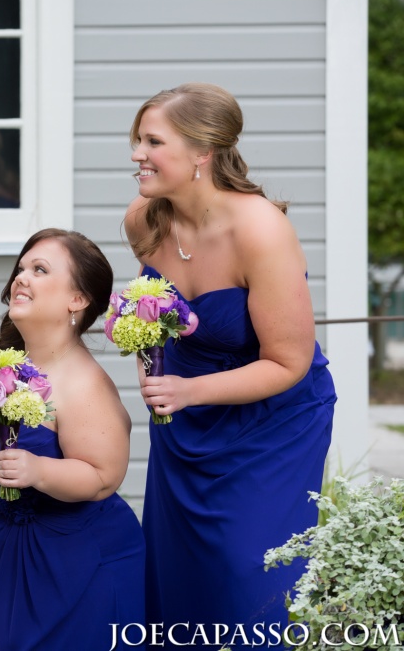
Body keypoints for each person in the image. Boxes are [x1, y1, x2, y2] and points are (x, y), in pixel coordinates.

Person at [124, 82, 336, 643]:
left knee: (247, 576)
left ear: (202, 152)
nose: (136, 155)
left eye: (152, 141)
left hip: (272, 424)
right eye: (136, 140)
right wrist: (150, 365)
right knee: (181, 573)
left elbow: (288, 362)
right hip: (184, 422)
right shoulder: (144, 222)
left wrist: (189, 391)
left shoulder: (260, 229)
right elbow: (157, 320)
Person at [0, 228, 146, 650]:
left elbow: (102, 477)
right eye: (22, 268)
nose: (21, 277)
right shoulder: (1, 366)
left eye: (40, 270)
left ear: (77, 300)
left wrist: (39, 469)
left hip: (73, 569)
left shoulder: (84, 384)